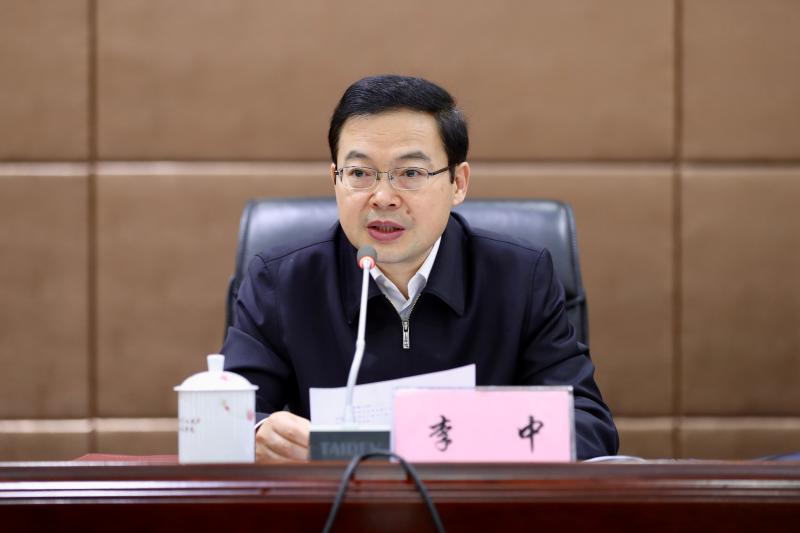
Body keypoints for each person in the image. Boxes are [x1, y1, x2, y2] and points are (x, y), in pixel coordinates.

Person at [221, 74, 618, 462]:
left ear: (458, 183)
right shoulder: (281, 281)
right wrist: (258, 436)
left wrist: (472, 440)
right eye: (359, 174)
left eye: (410, 173)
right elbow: (226, 422)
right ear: (335, 180)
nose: (383, 197)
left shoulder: (519, 277)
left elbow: (588, 426)